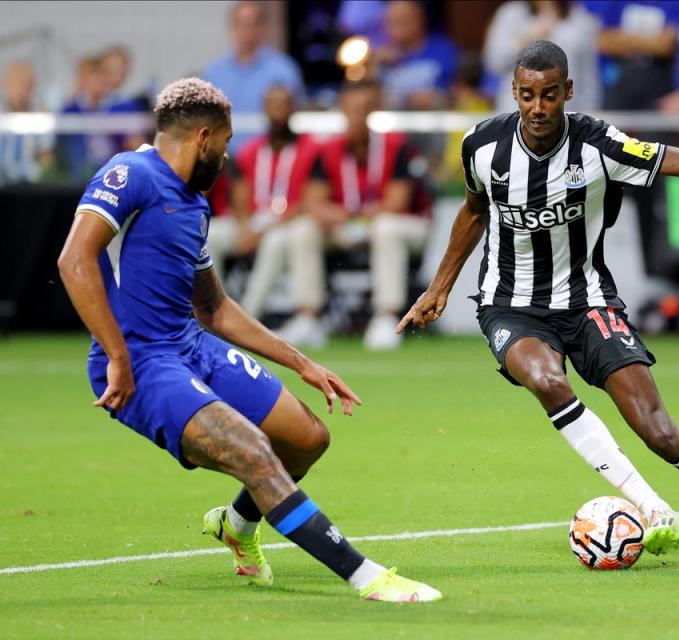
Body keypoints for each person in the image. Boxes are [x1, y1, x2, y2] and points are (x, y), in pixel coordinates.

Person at [399, 40, 679, 561]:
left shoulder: (600, 146)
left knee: (659, 432)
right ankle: (651, 506)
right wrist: (440, 287)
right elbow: (475, 210)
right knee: (547, 380)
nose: (538, 107)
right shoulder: (481, 145)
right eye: (527, 96)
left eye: (549, 95)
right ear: (515, 93)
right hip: (510, 303)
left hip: (588, 300)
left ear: (568, 91)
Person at [57, 77, 440, 601]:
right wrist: (118, 355)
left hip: (191, 346)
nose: (229, 153)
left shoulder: (194, 204)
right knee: (255, 452)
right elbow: (74, 260)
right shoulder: (130, 173)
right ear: (204, 137)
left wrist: (301, 362)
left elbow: (214, 308)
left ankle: (237, 525)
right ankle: (368, 577)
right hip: (141, 364)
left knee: (306, 440)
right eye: (228, 141)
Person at [306, 79, 431, 350]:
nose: (357, 116)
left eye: (364, 110)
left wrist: (356, 215)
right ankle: (308, 317)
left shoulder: (397, 146)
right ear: (341, 111)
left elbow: (397, 202)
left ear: (373, 111)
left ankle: (386, 316)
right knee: (305, 229)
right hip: (350, 226)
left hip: (403, 226)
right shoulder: (326, 151)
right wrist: (332, 213)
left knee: (385, 226)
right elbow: (313, 201)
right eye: (351, 109)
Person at [205, 85, 326, 347]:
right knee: (211, 233)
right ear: (264, 109)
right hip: (253, 221)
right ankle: (211, 312)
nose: (278, 111)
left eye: (283, 104)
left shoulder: (311, 149)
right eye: (272, 104)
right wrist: (246, 227)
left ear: (293, 108)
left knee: (276, 241)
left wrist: (265, 228)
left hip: (287, 222)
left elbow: (312, 199)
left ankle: (246, 319)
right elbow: (239, 196)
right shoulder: (248, 151)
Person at [204, 0, 306, 148]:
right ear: (232, 27)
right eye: (242, 23)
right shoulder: (213, 73)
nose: (248, 30)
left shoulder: (285, 71)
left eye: (253, 24)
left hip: (269, 159)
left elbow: (297, 117)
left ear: (264, 27)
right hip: (224, 161)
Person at [484, 1, 600, 114]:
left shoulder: (581, 20)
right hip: (516, 114)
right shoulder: (510, 14)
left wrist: (588, 119)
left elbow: (589, 78)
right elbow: (494, 62)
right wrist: (530, 38)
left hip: (565, 117)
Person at [373, 0, 459, 110]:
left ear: (419, 20)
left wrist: (438, 98)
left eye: (401, 21)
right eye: (391, 22)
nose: (395, 28)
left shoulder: (443, 51)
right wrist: (373, 65)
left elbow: (458, 92)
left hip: (434, 119)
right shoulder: (379, 54)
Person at [0, 60, 54, 186]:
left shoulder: (41, 115)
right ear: (5, 85)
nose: (22, 91)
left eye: (27, 85)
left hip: (29, 185)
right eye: (16, 84)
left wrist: (40, 170)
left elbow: (47, 155)